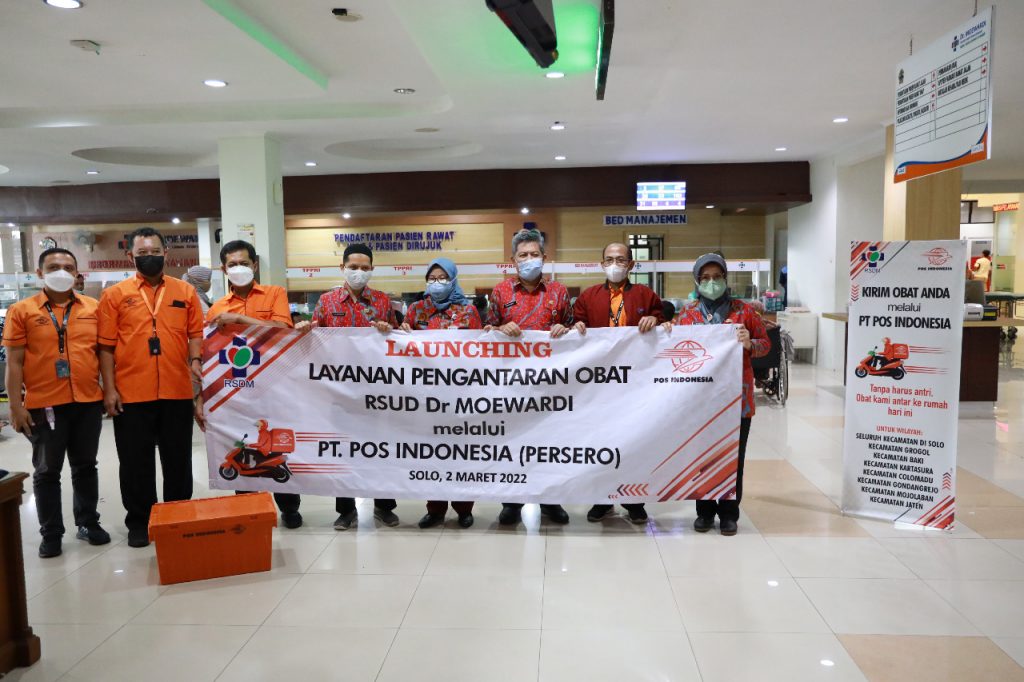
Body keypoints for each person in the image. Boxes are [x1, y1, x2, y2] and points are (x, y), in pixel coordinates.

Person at [98, 227, 204, 548]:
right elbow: (106, 347)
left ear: (165, 253)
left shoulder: (185, 291)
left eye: (155, 251)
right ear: (130, 255)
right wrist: (109, 389)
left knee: (178, 460)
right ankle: (140, 522)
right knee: (135, 462)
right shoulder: (115, 295)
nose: (149, 257)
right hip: (132, 392)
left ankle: (177, 517)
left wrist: (195, 360)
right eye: (142, 253)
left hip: (177, 389)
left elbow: (195, 334)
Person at [2, 248, 110, 558]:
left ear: (77, 273)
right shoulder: (22, 311)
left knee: (85, 465)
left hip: (87, 401)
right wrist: (15, 406)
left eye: (67, 267)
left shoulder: (93, 308)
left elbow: (103, 354)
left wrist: (108, 391)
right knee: (47, 470)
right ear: (39, 273)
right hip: (44, 404)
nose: (61, 272)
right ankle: (51, 533)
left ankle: (88, 522)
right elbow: (14, 362)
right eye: (53, 267)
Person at [198, 239, 302, 528]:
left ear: (255, 265)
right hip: (235, 392)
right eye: (232, 264)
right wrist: (202, 399)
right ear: (223, 269)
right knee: (238, 444)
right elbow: (209, 356)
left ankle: (289, 508)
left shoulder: (274, 294)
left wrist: (239, 319)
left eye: (244, 263)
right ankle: (248, 510)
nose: (238, 268)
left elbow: (283, 329)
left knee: (272, 449)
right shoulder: (216, 309)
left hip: (275, 386)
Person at [672, 253, 769, 536]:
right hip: (700, 402)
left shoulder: (744, 311)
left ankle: (729, 514)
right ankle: (704, 511)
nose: (711, 282)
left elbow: (765, 344)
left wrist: (750, 344)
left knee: (733, 459)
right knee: (702, 458)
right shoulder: (687, 314)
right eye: (705, 278)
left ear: (725, 278)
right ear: (697, 281)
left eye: (717, 277)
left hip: (738, 400)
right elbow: (676, 350)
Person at [570, 242, 664, 524]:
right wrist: (577, 328)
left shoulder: (646, 295)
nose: (615, 264)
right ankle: (602, 499)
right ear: (601, 264)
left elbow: (663, 324)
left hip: (636, 383)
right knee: (600, 443)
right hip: (598, 385)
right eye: (609, 259)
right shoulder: (588, 297)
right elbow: (576, 326)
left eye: (621, 260)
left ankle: (634, 501)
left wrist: (655, 319)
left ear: (631, 265)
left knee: (634, 442)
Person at [484, 228, 572, 526]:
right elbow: (486, 331)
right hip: (511, 384)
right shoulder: (500, 292)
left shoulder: (559, 292)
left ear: (544, 257)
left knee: (550, 442)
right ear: (513, 260)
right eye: (523, 255)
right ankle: (512, 501)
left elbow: (575, 330)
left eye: (534, 254)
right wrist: (499, 329)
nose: (529, 259)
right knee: (512, 441)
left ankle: (550, 501)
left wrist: (565, 330)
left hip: (550, 383)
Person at [311, 243, 400, 530]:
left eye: (364, 268)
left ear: (372, 269)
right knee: (343, 450)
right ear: (342, 268)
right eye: (353, 267)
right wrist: (304, 330)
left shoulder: (382, 301)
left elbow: (398, 339)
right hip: (340, 389)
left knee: (379, 448)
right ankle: (346, 509)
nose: (358, 272)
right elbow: (314, 338)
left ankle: (384, 506)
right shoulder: (327, 301)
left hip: (376, 389)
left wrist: (389, 330)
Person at [400, 258, 482, 530]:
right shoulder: (416, 310)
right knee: (431, 454)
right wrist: (402, 333)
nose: (437, 283)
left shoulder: (468, 311)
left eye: (442, 278)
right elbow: (402, 347)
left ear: (453, 279)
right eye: (432, 278)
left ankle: (464, 508)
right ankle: (435, 509)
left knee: (461, 454)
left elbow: (482, 352)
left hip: (461, 395)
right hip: (426, 397)